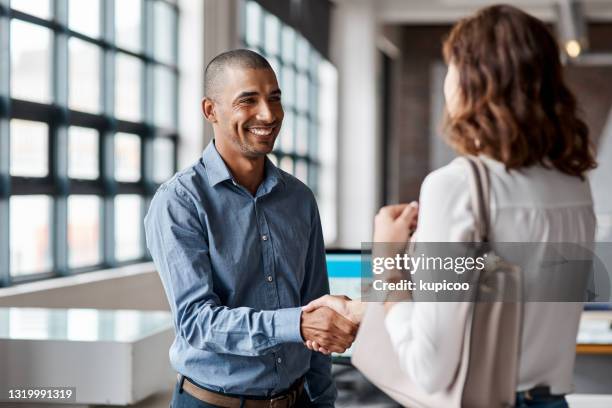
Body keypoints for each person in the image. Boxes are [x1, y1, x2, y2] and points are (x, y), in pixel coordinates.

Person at [304, 5, 597, 408]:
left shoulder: (456, 187)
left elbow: (428, 365)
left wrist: (387, 258)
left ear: (475, 81)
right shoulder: (573, 184)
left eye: (453, 67)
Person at [144, 49, 357, 408]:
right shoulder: (179, 201)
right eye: (249, 100)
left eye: (274, 99)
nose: (268, 114)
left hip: (298, 399)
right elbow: (197, 322)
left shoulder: (300, 199)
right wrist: (297, 325)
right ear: (211, 110)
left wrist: (323, 399)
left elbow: (317, 305)